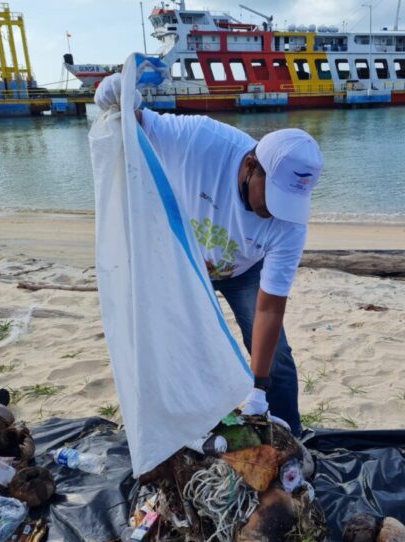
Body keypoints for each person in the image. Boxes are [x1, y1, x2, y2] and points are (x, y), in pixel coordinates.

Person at [95, 74, 324, 436]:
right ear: (251, 166)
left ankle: (288, 436)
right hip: (180, 263)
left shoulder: (291, 224)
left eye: (289, 203)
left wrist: (258, 388)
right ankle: (177, 432)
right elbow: (138, 123)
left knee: (276, 358)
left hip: (243, 272)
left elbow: (269, 307)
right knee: (172, 349)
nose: (276, 212)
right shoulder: (201, 141)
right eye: (273, 197)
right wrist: (118, 99)